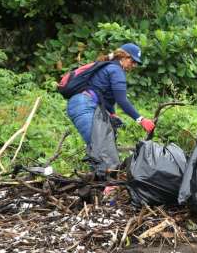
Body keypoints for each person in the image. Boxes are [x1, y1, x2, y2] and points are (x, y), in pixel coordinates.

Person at [66, 43, 155, 177]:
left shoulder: (110, 68)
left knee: (100, 149)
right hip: (84, 106)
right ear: (124, 57)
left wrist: (112, 114)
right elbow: (122, 100)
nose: (134, 65)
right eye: (133, 61)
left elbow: (105, 96)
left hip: (83, 105)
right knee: (102, 150)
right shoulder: (115, 70)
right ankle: (106, 188)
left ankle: (98, 187)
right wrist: (141, 119)